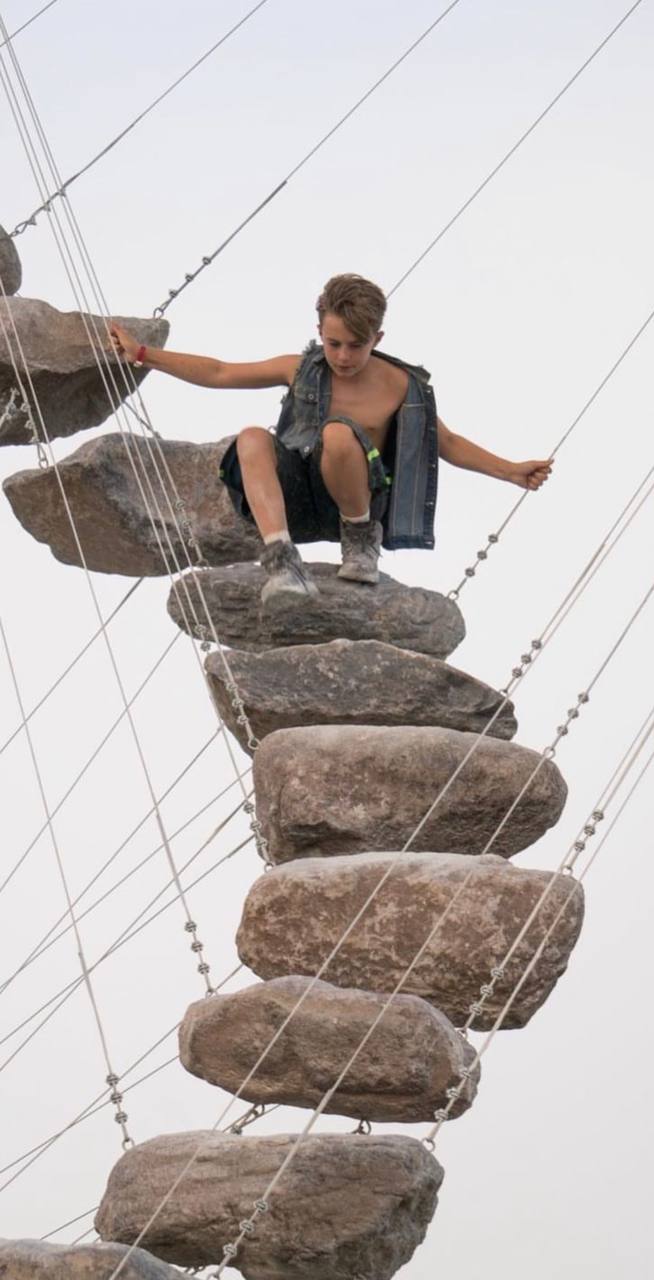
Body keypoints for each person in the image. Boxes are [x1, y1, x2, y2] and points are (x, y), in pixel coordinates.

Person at [110, 273, 552, 608]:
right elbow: (221, 372)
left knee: (339, 434)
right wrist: (144, 354)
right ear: (320, 331)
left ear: (377, 339)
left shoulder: (400, 385)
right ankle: (282, 562)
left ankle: (360, 542)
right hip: (302, 501)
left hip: (357, 503)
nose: (342, 357)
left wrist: (510, 470)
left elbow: (447, 442)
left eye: (355, 346)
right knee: (250, 438)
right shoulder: (301, 368)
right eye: (333, 342)